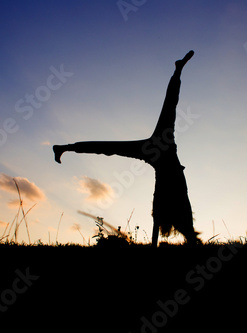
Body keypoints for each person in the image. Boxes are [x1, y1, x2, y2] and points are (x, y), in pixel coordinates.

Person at [53, 50, 200, 246]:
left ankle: (66, 147)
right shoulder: (173, 202)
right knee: (166, 108)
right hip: (160, 148)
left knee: (111, 146)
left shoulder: (165, 203)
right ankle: (178, 71)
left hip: (156, 150)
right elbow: (170, 215)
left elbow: (161, 216)